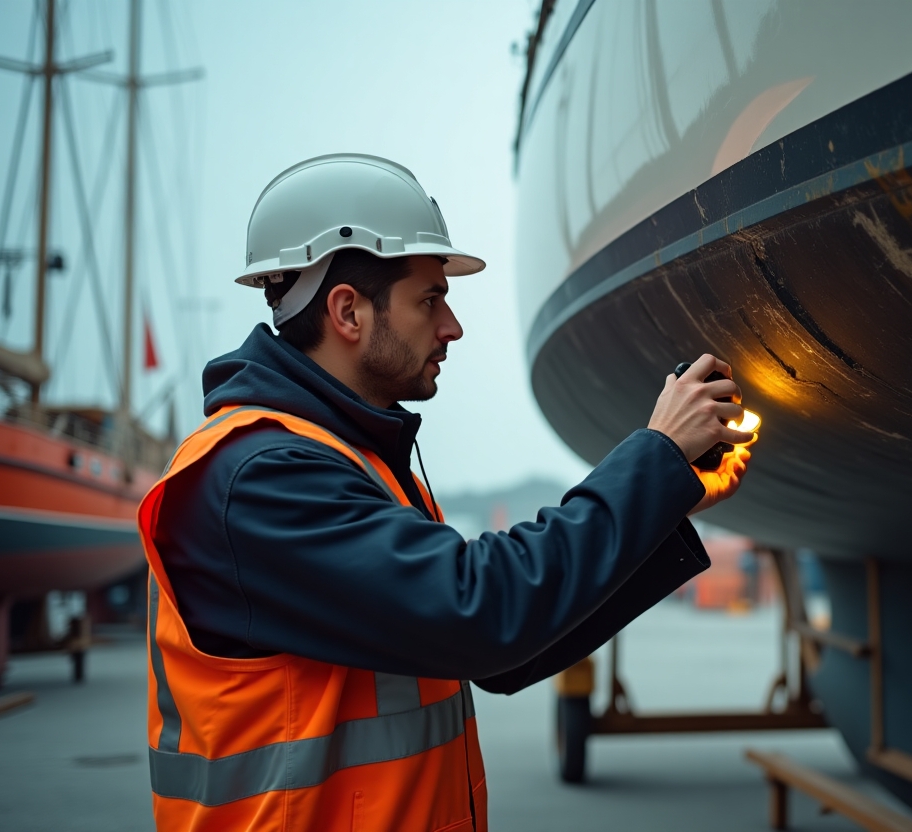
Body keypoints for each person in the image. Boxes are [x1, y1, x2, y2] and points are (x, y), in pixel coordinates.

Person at [135, 154, 755, 831]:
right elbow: (481, 613)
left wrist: (666, 501)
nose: (452, 327)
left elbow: (499, 652)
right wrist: (656, 459)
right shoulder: (256, 478)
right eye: (429, 299)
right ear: (348, 312)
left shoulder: (355, 467)